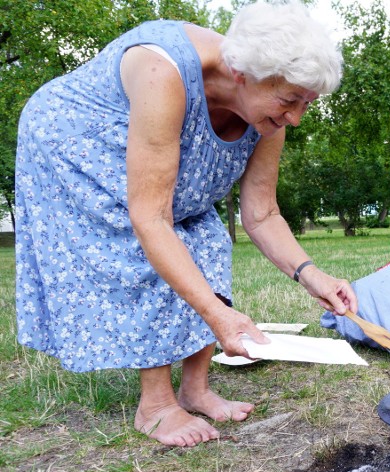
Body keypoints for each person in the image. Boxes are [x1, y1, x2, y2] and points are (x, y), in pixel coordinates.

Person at [14, 1, 357, 447]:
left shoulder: (270, 116)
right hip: (75, 139)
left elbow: (261, 213)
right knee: (142, 242)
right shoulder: (164, 71)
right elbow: (150, 219)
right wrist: (218, 315)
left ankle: (195, 389)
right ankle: (155, 407)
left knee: (208, 238)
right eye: (290, 101)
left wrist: (312, 275)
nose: (296, 117)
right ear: (241, 74)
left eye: (306, 103)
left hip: (147, 142)